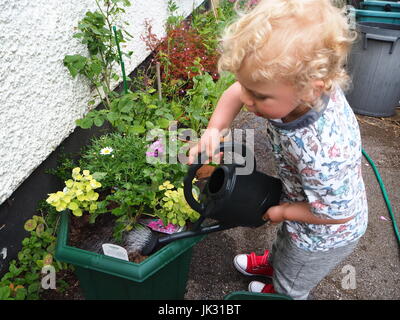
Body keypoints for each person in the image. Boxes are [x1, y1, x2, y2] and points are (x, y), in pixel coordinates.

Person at [188, 0, 368, 300]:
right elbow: (236, 92)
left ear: (312, 88)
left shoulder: (323, 153)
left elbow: (336, 213)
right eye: (247, 86)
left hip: (324, 233)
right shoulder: (288, 90)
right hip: (305, 201)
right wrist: (213, 132)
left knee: (294, 274)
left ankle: (282, 288)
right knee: (285, 238)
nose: (247, 99)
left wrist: (284, 210)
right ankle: (274, 264)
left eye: (258, 96)